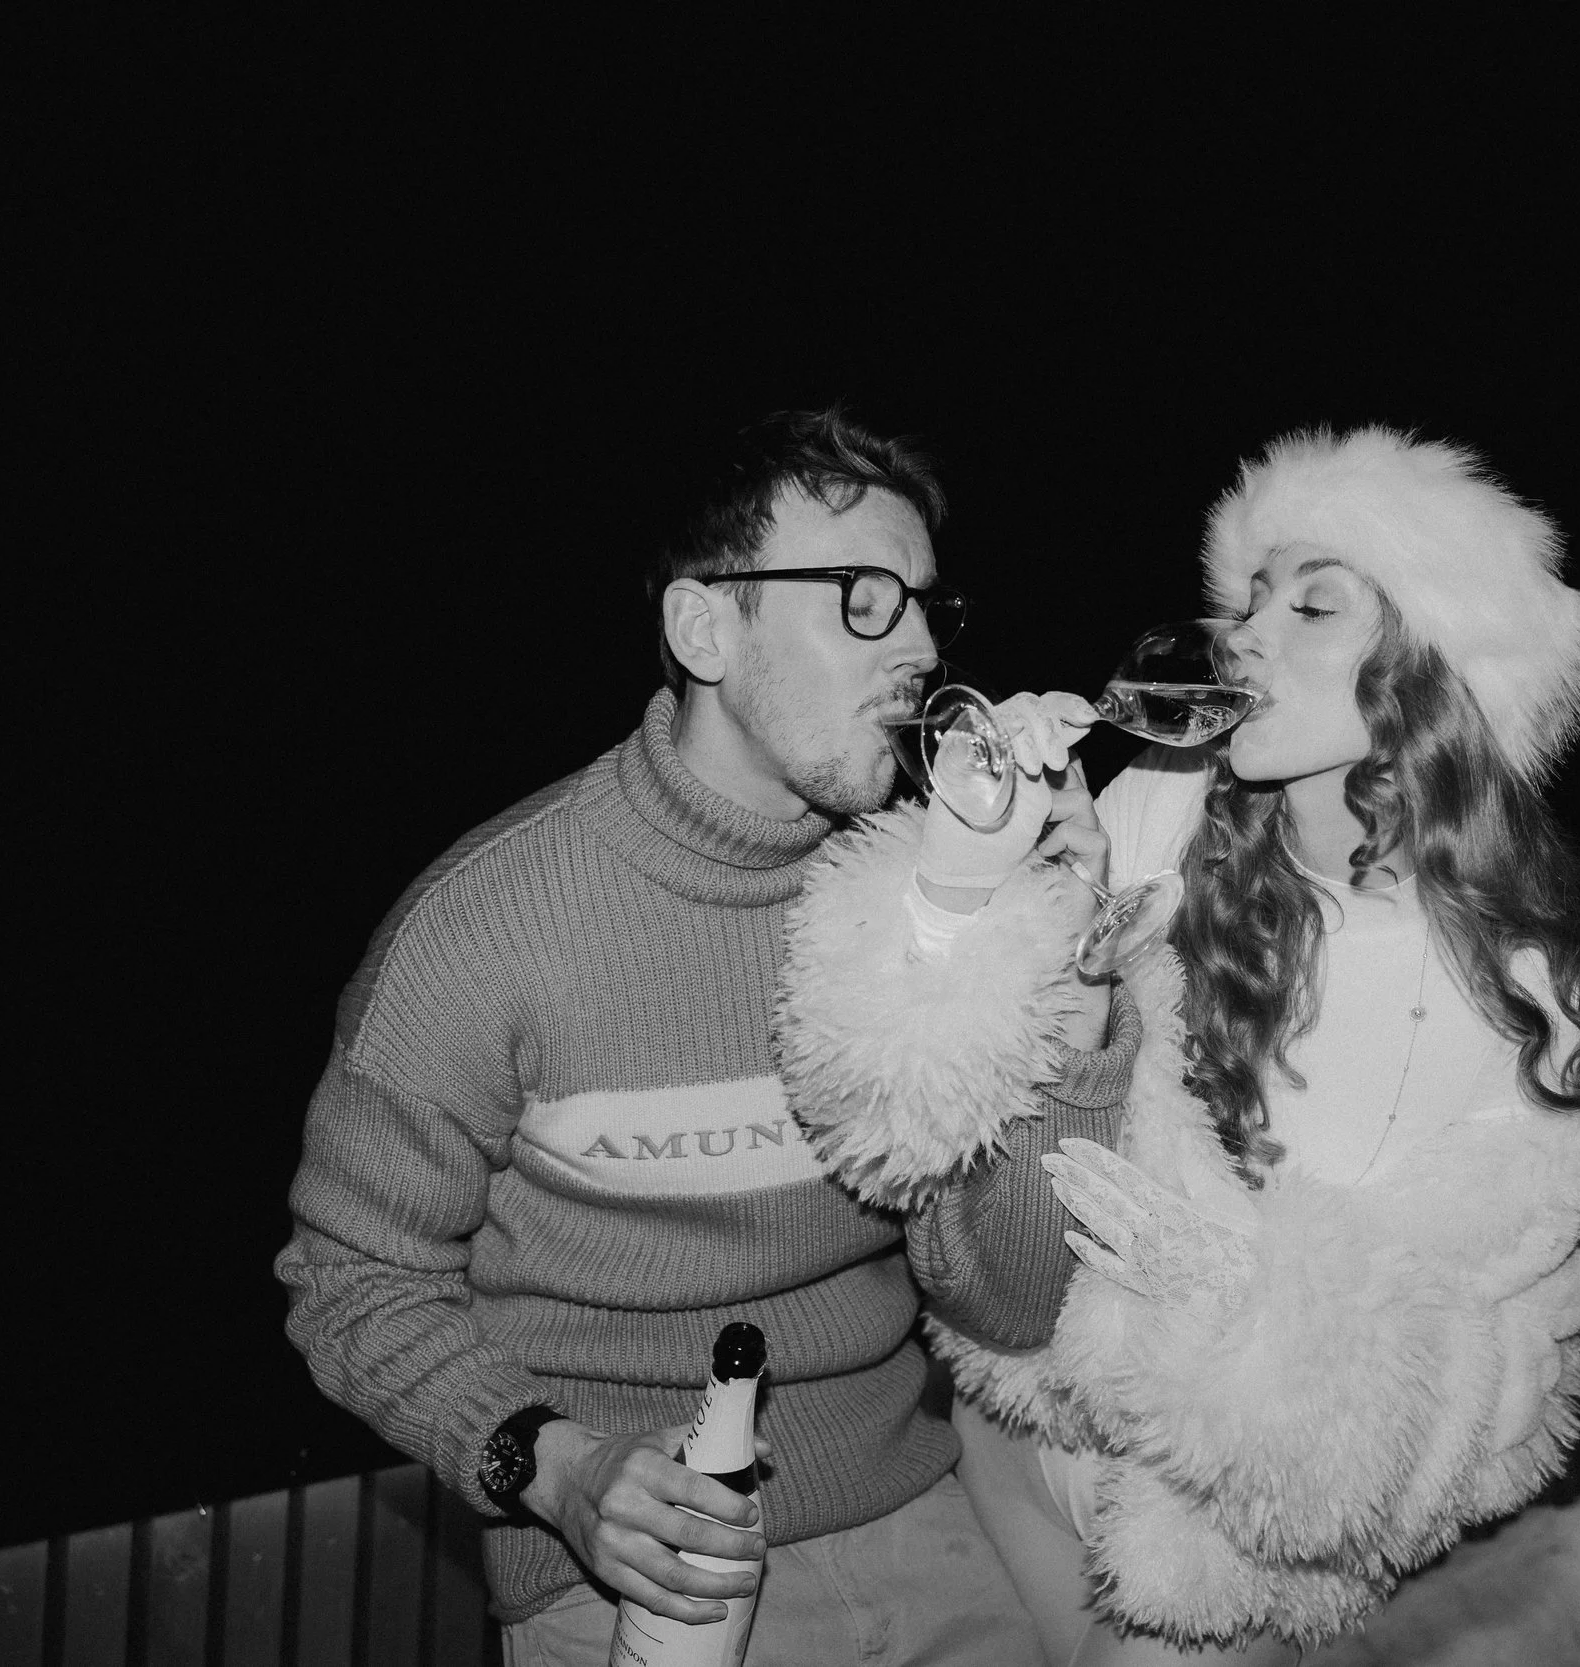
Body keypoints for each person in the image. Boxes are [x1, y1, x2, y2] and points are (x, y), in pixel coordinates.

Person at [776, 427, 1580, 1662]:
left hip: (1214, 1542)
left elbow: (1481, 1415)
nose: (1247, 631)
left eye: (1312, 604)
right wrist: (975, 878)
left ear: (1430, 672)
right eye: (1249, 597)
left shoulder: (1525, 995)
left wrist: (1229, 1311)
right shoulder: (1161, 806)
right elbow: (908, 1111)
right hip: (1008, 1440)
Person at [275, 408, 1140, 1667]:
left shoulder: (924, 898)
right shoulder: (490, 930)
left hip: (919, 1518)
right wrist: (554, 1468)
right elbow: (351, 1280)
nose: (911, 646)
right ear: (703, 628)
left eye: (923, 608)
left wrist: (1062, 971)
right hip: (626, 1571)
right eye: (859, 595)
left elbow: (1007, 1297)